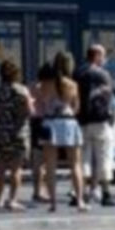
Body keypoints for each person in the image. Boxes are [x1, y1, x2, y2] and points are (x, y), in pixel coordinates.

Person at [40, 51, 88, 212]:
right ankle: (80, 200)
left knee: (50, 165)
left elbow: (42, 103)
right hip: (68, 122)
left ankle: (53, 203)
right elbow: (76, 108)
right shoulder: (72, 84)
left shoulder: (46, 84)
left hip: (50, 123)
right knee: (75, 164)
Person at [75, 45, 115, 207]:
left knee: (84, 158)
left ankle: (84, 192)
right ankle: (106, 193)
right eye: (103, 56)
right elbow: (110, 99)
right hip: (101, 122)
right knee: (104, 157)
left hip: (83, 121)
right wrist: (112, 119)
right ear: (96, 56)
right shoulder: (103, 74)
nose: (104, 59)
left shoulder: (78, 73)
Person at [0, 60, 33, 212]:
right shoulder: (22, 90)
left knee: (0, 166)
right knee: (16, 169)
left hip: (1, 132)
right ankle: (12, 200)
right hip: (18, 132)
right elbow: (30, 111)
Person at [30, 63, 53, 203]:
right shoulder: (50, 88)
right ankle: (42, 190)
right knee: (45, 160)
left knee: (37, 159)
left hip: (34, 123)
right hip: (46, 122)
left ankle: (36, 190)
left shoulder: (33, 86)